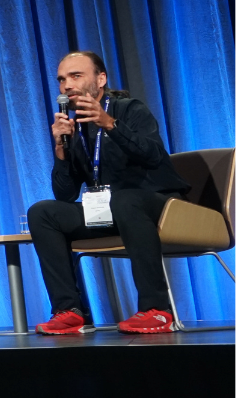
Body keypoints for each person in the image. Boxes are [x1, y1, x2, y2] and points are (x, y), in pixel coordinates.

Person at [28, 51, 191, 334]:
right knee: (43, 213)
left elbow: (154, 156)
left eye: (76, 76)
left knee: (125, 199)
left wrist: (110, 125)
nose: (67, 85)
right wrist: (61, 150)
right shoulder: (76, 128)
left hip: (158, 206)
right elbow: (65, 195)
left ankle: (157, 309)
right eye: (62, 79)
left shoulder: (130, 109)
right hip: (110, 211)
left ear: (100, 79)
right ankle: (69, 310)